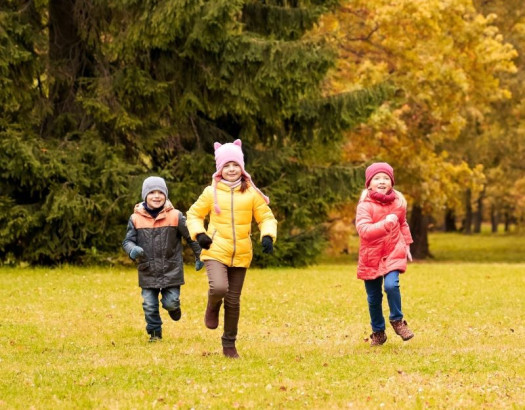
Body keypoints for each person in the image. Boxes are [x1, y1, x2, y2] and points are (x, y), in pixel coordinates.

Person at [187, 139, 277, 358]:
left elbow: (266, 217)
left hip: (242, 252)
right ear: (220, 169)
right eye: (226, 165)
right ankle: (212, 304)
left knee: (234, 301)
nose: (231, 169)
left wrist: (267, 235)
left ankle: (229, 344)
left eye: (235, 165)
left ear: (242, 167)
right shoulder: (211, 192)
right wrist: (200, 234)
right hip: (215, 249)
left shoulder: (252, 193)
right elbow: (193, 214)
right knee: (218, 288)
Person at [122, 176, 204, 342]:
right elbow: (127, 241)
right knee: (149, 305)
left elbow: (191, 238)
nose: (156, 196)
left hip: (171, 270)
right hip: (148, 270)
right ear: (145, 195)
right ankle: (154, 333)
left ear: (166, 195)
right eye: (152, 192)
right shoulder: (135, 218)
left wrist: (199, 255)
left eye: (160, 192)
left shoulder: (175, 216)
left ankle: (174, 308)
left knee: (171, 302)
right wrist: (132, 250)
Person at [355, 162, 415, 346]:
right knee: (374, 298)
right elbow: (364, 230)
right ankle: (378, 331)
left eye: (386, 178)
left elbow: (403, 224)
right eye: (377, 178)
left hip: (393, 251)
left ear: (392, 182)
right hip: (371, 255)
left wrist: (407, 244)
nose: (382, 181)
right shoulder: (365, 206)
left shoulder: (399, 202)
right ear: (369, 183)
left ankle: (397, 321)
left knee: (391, 285)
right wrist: (387, 223)